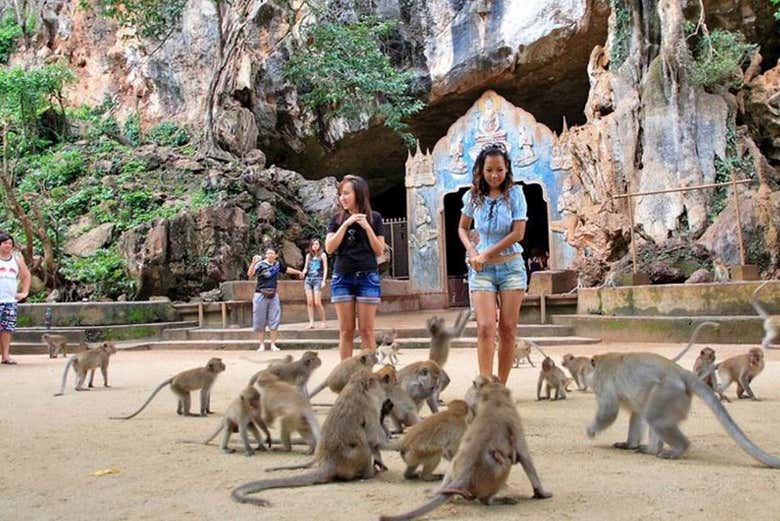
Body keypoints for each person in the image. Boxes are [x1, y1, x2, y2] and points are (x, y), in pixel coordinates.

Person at [458, 142, 528, 384]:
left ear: (507, 168)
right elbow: (462, 227)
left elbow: (518, 233)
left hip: (511, 268)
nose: (494, 175)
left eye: (499, 169)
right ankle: (485, 385)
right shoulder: (472, 197)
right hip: (481, 271)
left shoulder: (516, 195)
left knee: (508, 329)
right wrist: (472, 250)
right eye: (489, 170)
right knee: (486, 327)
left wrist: (486, 254)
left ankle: (502, 385)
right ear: (481, 170)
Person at [325, 175, 385, 360]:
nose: (342, 197)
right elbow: (329, 248)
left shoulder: (375, 218)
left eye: (346, 193)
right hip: (342, 277)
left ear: (358, 194)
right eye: (340, 194)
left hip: (367, 277)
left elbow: (379, 250)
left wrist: (367, 227)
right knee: (346, 331)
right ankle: (346, 376)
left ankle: (369, 376)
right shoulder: (336, 219)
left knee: (367, 331)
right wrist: (345, 224)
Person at [247, 246, 303, 352]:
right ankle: (261, 345)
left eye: (272, 253)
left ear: (276, 255)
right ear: (265, 255)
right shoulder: (260, 264)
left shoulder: (277, 264)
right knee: (260, 319)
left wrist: (298, 272)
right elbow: (250, 274)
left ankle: (273, 344)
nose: (270, 255)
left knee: (274, 319)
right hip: (260, 294)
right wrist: (253, 263)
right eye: (268, 253)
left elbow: (286, 269)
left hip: (273, 294)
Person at [0, 231, 30, 365]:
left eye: (10, 243)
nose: (8, 246)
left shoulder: (16, 259)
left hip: (10, 300)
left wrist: (24, 292)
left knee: (7, 329)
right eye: (5, 243)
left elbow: (26, 275)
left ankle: (5, 356)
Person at [301, 238, 328, 329]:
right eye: (313, 244)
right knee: (309, 302)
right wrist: (303, 272)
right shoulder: (309, 255)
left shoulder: (323, 255)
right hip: (309, 279)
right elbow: (305, 267)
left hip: (318, 279)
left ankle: (323, 321)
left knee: (317, 302)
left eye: (316, 244)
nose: (315, 246)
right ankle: (311, 322)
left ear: (320, 245)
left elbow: (325, 269)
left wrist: (324, 280)